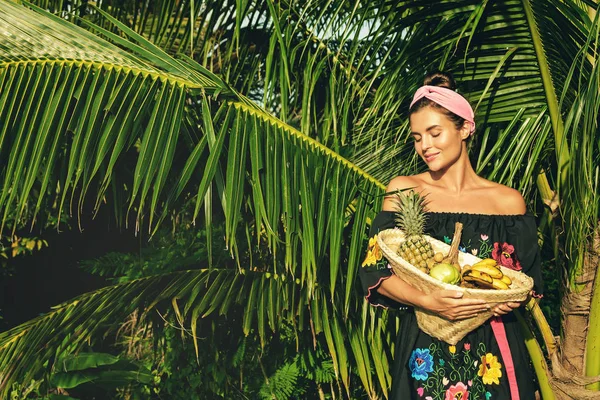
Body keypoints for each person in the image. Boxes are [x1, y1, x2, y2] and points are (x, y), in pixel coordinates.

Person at [359, 71, 544, 399]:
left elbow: (525, 281)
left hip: (495, 354)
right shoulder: (405, 191)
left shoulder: (508, 202)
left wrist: (508, 300)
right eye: (417, 137)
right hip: (426, 347)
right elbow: (375, 270)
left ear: (465, 128)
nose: (424, 146)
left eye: (434, 133)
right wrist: (427, 300)